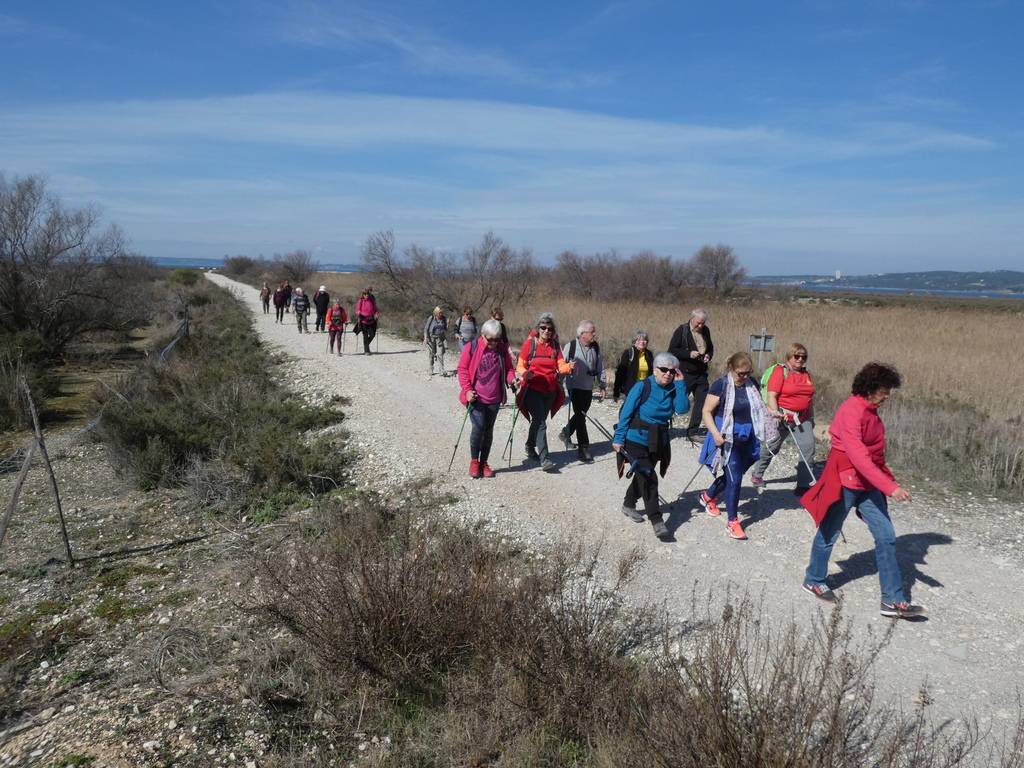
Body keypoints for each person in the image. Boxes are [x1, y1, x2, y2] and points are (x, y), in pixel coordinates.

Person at [800, 363, 925, 619]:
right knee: (829, 532)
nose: (888, 394)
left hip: (867, 483)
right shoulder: (851, 410)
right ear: (870, 387)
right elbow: (858, 456)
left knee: (887, 535)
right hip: (844, 480)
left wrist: (888, 480)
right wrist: (890, 488)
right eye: (885, 389)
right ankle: (814, 579)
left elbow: (875, 456)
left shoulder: (873, 412)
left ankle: (892, 600)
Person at [697, 352, 777, 541]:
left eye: (748, 372)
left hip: (748, 436)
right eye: (741, 373)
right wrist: (716, 434)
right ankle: (732, 522)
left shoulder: (752, 384)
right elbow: (706, 411)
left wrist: (774, 413)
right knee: (735, 479)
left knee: (735, 474)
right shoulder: (721, 385)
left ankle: (707, 496)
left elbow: (758, 407)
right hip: (727, 436)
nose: (745, 377)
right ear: (731, 369)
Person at [612, 352, 689, 542]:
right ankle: (657, 520)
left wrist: (680, 384)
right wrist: (618, 438)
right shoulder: (642, 386)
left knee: (643, 475)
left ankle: (629, 504)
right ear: (655, 370)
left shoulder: (673, 387)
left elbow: (682, 409)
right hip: (635, 438)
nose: (668, 374)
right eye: (664, 370)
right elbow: (626, 413)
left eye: (672, 371)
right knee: (648, 476)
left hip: (658, 439)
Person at [751, 343, 817, 494]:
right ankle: (757, 474)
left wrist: (811, 418)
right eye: (797, 356)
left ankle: (803, 485)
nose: (800, 359)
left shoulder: (807, 374)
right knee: (772, 446)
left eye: (804, 357)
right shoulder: (780, 371)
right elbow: (772, 395)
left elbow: (809, 398)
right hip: (782, 416)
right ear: (789, 356)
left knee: (808, 447)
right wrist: (775, 414)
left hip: (802, 418)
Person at [457, 319, 519, 478]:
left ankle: (484, 462)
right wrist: (467, 390)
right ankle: (474, 461)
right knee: (478, 428)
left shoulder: (502, 349)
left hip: (494, 398)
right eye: (490, 339)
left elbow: (508, 370)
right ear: (482, 335)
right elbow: (462, 369)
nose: (493, 342)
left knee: (488, 430)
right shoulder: (472, 347)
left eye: (497, 339)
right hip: (476, 397)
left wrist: (512, 379)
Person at [515, 313, 573, 472]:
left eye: (550, 328)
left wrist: (568, 368)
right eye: (543, 328)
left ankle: (529, 445)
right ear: (538, 329)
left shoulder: (555, 345)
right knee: (541, 422)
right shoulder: (529, 344)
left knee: (538, 420)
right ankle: (545, 459)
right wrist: (525, 373)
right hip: (532, 389)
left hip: (550, 390)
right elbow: (520, 365)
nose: (546, 331)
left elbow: (560, 365)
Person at [558, 320, 607, 463]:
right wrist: (559, 386)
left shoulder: (595, 347)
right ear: (582, 334)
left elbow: (600, 367)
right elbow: (561, 366)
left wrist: (602, 384)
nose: (594, 334)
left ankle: (566, 432)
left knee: (581, 413)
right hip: (574, 386)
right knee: (581, 415)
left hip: (588, 387)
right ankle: (583, 448)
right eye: (592, 331)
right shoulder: (571, 346)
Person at [667, 308, 713, 438]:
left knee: (702, 402)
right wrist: (688, 354)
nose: (701, 325)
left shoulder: (706, 330)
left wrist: (708, 356)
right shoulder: (682, 330)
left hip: (701, 373)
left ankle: (692, 432)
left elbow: (710, 348)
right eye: (699, 323)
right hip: (685, 373)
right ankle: (662, 425)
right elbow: (672, 350)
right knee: (677, 400)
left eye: (703, 323)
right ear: (692, 319)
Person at [613, 331, 654, 403]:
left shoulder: (649, 354)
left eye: (644, 340)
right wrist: (616, 392)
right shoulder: (628, 353)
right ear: (634, 342)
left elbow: (652, 373)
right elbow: (620, 373)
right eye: (639, 340)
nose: (642, 342)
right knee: (629, 411)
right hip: (631, 389)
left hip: (645, 388)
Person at [354, 287, 380, 354]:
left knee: (372, 335)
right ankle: (366, 350)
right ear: (363, 294)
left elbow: (376, 309)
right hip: (363, 321)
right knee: (365, 335)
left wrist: (377, 314)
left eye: (367, 294)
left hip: (371, 320)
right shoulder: (361, 301)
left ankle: (366, 344)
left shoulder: (372, 301)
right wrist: (359, 313)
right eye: (365, 294)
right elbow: (357, 310)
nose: (366, 295)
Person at [424, 306, 449, 375]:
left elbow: (445, 329)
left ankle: (441, 370)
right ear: (436, 313)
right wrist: (425, 338)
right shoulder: (431, 318)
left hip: (440, 339)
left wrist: (447, 325)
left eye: (442, 313)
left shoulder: (444, 319)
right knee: (432, 354)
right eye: (439, 313)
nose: (441, 314)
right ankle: (431, 368)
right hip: (431, 338)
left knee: (440, 354)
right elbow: (426, 329)